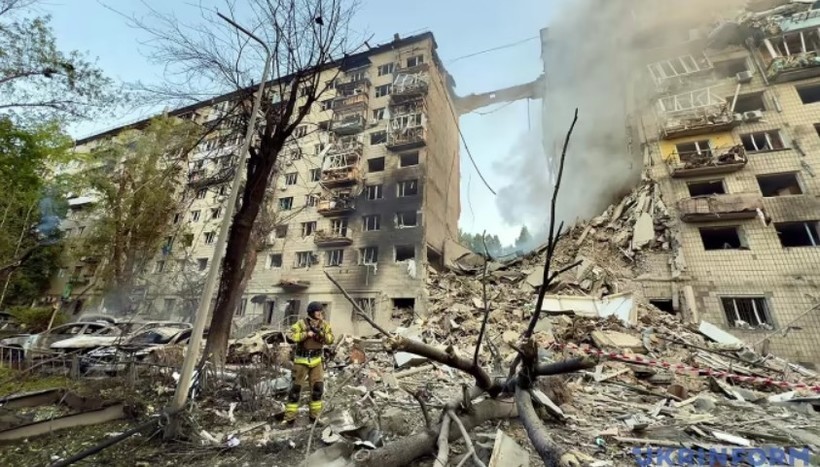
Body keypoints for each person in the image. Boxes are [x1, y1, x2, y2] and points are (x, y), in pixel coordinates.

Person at [284, 301, 334, 423]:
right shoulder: (301, 323)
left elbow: (331, 339)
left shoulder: (324, 325)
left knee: (318, 389)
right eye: (318, 311)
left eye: (321, 311)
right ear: (311, 312)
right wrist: (306, 334)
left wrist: (321, 334)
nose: (320, 313)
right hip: (301, 361)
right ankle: (289, 418)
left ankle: (314, 417)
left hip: (317, 361)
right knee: (295, 390)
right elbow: (289, 336)